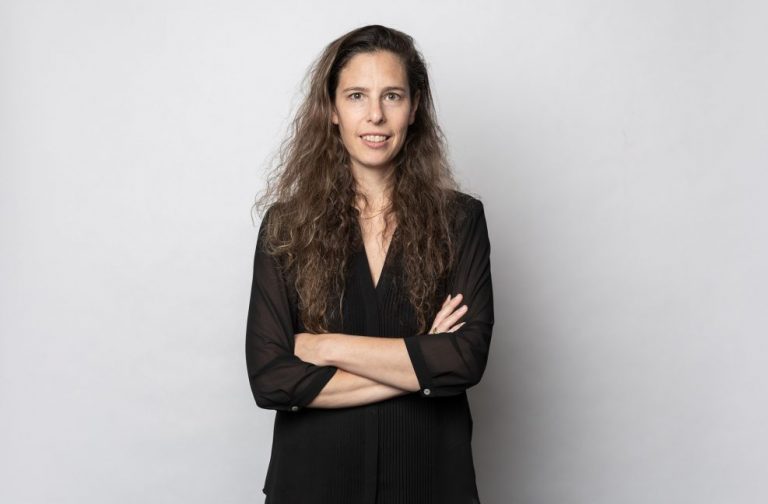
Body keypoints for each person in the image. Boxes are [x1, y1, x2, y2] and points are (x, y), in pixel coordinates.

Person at [246, 24, 494, 504]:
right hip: (312, 488)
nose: (375, 114)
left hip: (429, 486)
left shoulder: (461, 221)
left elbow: (464, 359)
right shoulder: (286, 227)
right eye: (357, 95)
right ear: (332, 109)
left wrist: (324, 346)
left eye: (392, 96)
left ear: (414, 108)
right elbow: (272, 380)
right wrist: (422, 361)